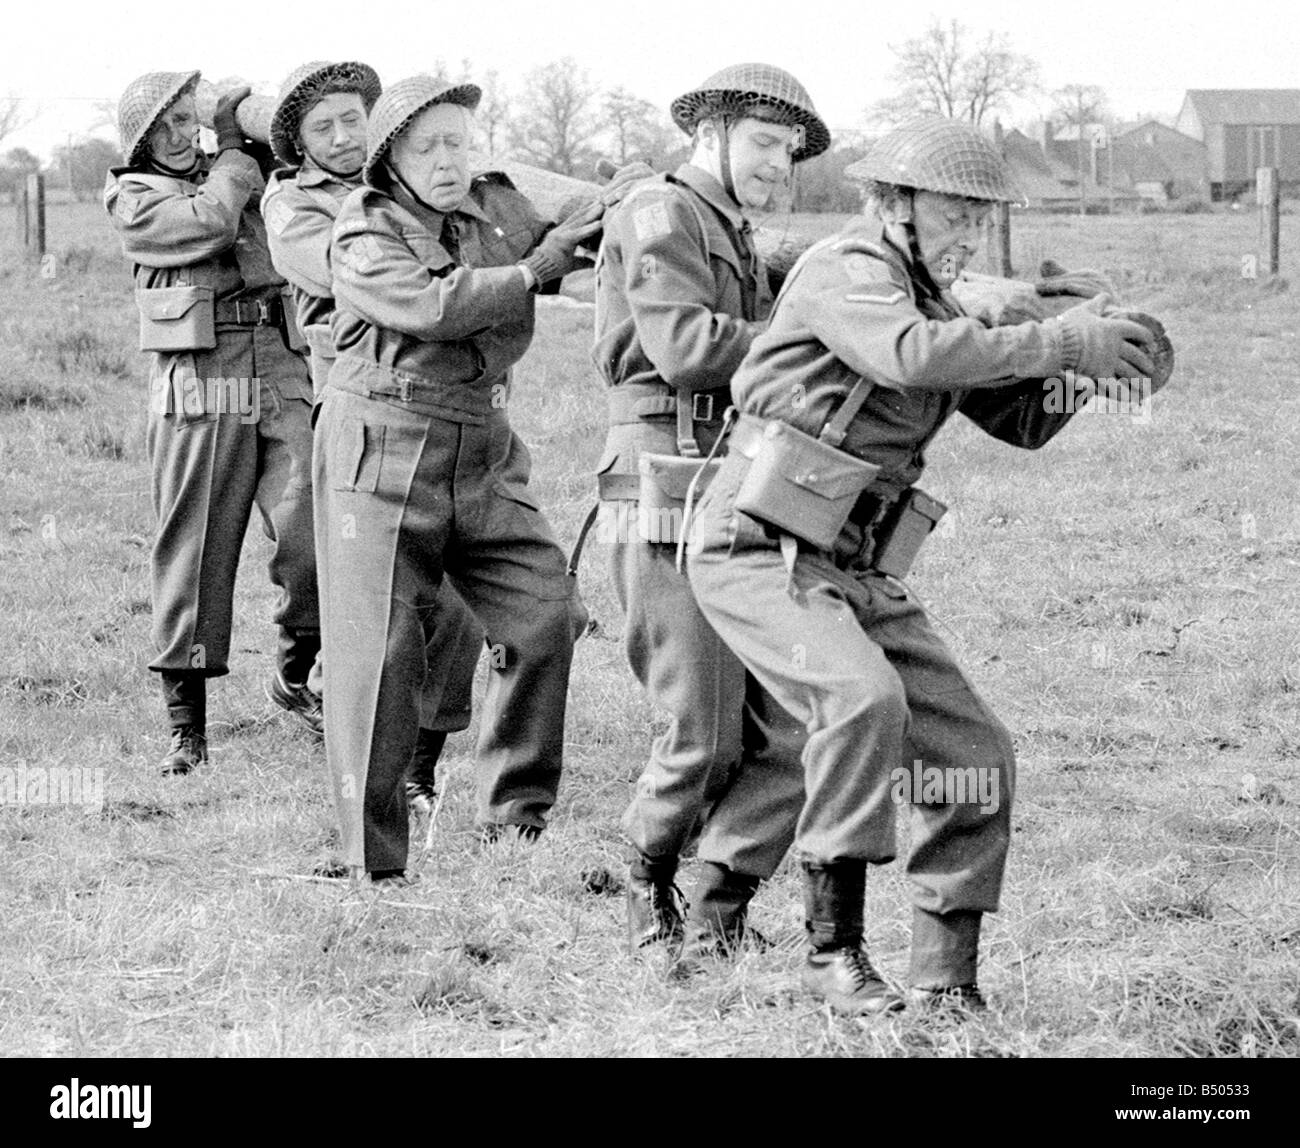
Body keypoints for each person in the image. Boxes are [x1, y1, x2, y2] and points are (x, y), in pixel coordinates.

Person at [684, 116, 1158, 1013]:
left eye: (980, 220)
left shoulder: (942, 305)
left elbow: (1021, 423)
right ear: (893, 203)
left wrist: (1097, 360)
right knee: (861, 702)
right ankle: (832, 954)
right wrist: (1059, 343)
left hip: (857, 564)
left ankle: (946, 983)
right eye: (953, 214)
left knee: (970, 752)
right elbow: (908, 358)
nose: (967, 236)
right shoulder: (849, 269)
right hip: (756, 546)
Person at [315, 75, 597, 882]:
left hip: (481, 441)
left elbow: (598, 217)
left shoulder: (492, 210)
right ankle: (372, 861)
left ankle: (515, 818)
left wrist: (624, 204)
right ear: (390, 158)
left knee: (545, 610)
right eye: (427, 145)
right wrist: (537, 267)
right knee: (381, 651)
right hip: (383, 440)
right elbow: (433, 307)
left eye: (459, 143)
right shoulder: (362, 228)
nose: (448, 160)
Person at [592, 64, 829, 961]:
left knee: (797, 721)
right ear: (712, 133)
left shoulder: (729, 225)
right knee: (700, 725)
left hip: (736, 477)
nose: (780, 166)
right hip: (660, 477)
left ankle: (717, 904)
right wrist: (812, 340)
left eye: (791, 153)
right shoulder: (660, 213)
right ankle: (644, 892)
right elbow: (686, 346)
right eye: (765, 144)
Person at [262, 60, 482, 809]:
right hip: (358, 410)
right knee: (369, 598)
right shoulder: (295, 204)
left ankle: (422, 757)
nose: (342, 137)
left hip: (448, 411)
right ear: (300, 144)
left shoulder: (421, 185)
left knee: (457, 599)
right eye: (322, 128)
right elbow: (344, 272)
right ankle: (318, 682)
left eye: (354, 119)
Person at [105, 71, 320, 775]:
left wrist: (258, 137)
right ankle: (186, 731)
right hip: (201, 379)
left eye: (186, 119)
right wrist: (234, 151)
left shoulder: (237, 170)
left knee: (315, 526)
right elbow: (210, 222)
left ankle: (297, 674)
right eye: (164, 125)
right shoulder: (135, 196)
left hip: (279, 361)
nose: (180, 133)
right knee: (196, 546)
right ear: (141, 141)